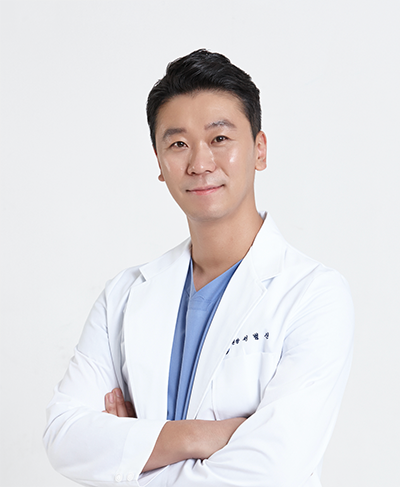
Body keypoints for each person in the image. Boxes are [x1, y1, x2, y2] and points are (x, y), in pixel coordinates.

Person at [44, 49, 354, 487]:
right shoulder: (124, 295)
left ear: (259, 150)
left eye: (220, 138)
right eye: (178, 144)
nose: (200, 163)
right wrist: (195, 436)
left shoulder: (314, 295)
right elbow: (63, 437)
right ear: (159, 163)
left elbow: (274, 467)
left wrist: (134, 452)